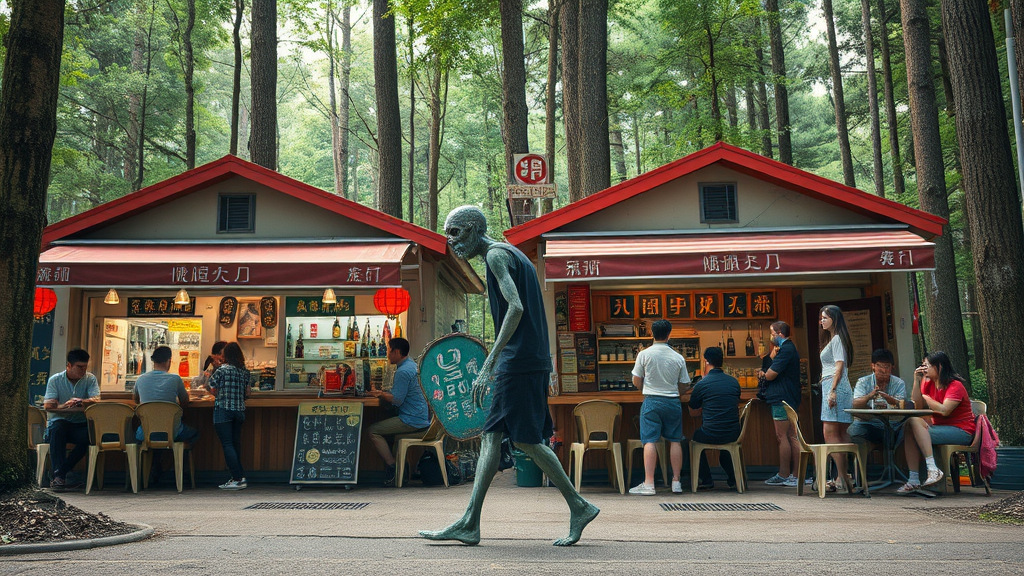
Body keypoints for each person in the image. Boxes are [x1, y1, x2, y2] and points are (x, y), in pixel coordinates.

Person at [421, 205, 599, 547]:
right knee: (499, 436)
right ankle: (471, 522)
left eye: (455, 232)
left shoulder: (496, 257)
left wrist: (489, 363)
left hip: (518, 362)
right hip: (525, 360)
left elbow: (515, 307)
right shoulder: (512, 254)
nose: (451, 240)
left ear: (474, 228)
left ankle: (578, 506)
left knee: (526, 441)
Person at [897, 351, 975, 495]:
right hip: (940, 428)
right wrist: (916, 380)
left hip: (961, 431)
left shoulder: (955, 386)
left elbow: (945, 410)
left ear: (939, 367)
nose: (924, 369)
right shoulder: (928, 383)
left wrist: (926, 397)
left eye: (927, 366)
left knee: (914, 424)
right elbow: (918, 405)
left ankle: (932, 468)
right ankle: (914, 479)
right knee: (909, 424)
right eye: (923, 365)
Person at [628, 319, 689, 495]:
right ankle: (676, 482)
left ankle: (649, 484)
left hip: (652, 401)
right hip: (672, 402)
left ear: (651, 334)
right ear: (669, 334)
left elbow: (636, 380)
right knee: (675, 440)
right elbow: (685, 383)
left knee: (649, 440)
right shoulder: (678, 357)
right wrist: (675, 392)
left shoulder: (644, 354)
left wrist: (645, 388)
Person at [133, 345, 200, 485]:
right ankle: (181, 470)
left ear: (153, 361)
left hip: (145, 433)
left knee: (155, 436)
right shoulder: (175, 379)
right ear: (169, 360)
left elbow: (137, 401)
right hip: (172, 431)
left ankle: (156, 469)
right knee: (193, 434)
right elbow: (185, 401)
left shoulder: (140, 379)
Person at [368, 337, 430, 485]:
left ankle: (392, 466)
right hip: (421, 416)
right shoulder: (411, 365)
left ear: (396, 352)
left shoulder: (403, 371)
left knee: (373, 431)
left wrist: (380, 393)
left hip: (412, 419)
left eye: (389, 351)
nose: (387, 354)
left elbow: (396, 399)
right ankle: (399, 470)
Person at [42, 348, 101, 491]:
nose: (82, 371)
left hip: (80, 423)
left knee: (90, 436)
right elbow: (48, 405)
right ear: (69, 365)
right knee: (57, 429)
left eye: (85, 367)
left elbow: (97, 399)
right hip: (60, 422)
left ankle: (59, 474)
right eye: (79, 367)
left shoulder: (90, 379)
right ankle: (60, 477)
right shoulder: (56, 380)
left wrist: (81, 401)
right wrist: (64, 406)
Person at [757, 321, 806, 487]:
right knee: (792, 435)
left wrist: (763, 372)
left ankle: (785, 475)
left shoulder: (786, 349)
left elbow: (770, 375)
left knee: (783, 436)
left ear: (780, 333)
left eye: (772, 333)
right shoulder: (787, 349)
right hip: (789, 397)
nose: (771, 337)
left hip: (781, 397)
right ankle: (795, 476)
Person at [688, 347, 742, 490]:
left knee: (694, 438)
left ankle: (706, 480)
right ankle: (734, 478)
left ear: (706, 362)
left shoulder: (702, 384)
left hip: (710, 433)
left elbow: (693, 412)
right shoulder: (734, 382)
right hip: (733, 433)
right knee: (725, 449)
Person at [818, 305, 855, 492]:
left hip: (836, 386)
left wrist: (831, 390)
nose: (821, 321)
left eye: (825, 318)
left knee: (830, 433)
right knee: (840, 433)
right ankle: (843, 476)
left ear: (834, 319)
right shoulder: (835, 338)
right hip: (835, 385)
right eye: (821, 318)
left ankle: (842, 477)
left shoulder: (837, 339)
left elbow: (839, 367)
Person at [208, 342, 250, 490]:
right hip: (239, 411)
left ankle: (237, 478)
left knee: (227, 444)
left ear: (226, 355)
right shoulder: (244, 372)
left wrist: (217, 392)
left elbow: (210, 385)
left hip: (223, 409)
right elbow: (248, 393)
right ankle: (240, 477)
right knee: (235, 444)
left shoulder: (222, 370)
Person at [849, 349, 907, 446]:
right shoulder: (863, 382)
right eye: (880, 366)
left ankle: (893, 460)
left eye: (887, 367)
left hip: (892, 424)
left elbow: (901, 405)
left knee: (906, 432)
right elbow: (854, 404)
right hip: (867, 423)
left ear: (892, 367)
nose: (883, 370)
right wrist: (870, 396)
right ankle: (860, 460)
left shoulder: (899, 383)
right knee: (853, 431)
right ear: (873, 366)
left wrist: (889, 399)